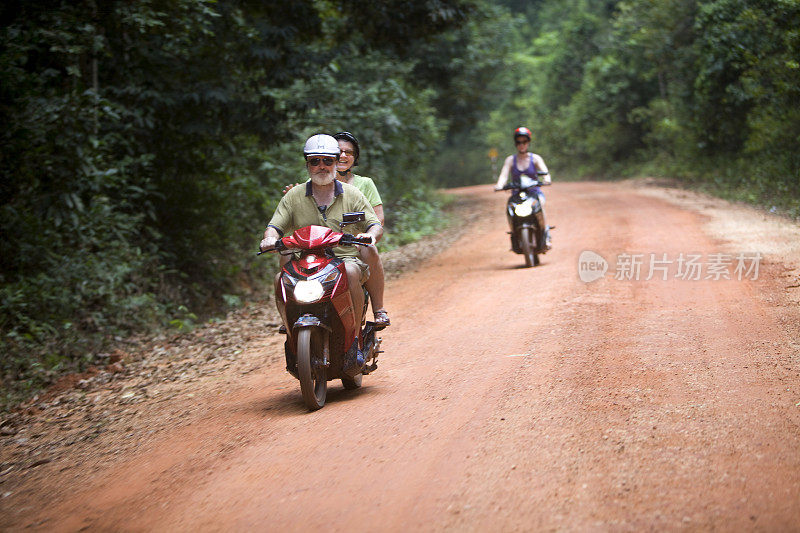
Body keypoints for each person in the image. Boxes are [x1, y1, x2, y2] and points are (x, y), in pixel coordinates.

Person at [260, 134, 384, 333]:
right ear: (307, 164)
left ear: (336, 162)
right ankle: (289, 327)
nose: (322, 166)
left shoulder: (353, 193)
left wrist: (370, 235)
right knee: (279, 279)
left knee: (350, 272)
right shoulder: (294, 195)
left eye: (328, 160)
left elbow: (374, 224)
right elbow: (275, 225)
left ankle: (354, 333)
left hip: (345, 258)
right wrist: (270, 238)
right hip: (305, 260)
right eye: (315, 161)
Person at [494, 126, 552, 249]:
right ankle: (514, 235)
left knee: (540, 206)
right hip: (516, 195)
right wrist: (499, 185)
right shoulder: (510, 160)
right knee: (510, 210)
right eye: (519, 142)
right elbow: (503, 175)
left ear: (528, 142)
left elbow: (545, 172)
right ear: (516, 143)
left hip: (534, 193)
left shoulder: (535, 158)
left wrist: (546, 179)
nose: (522, 145)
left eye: (524, 142)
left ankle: (545, 234)